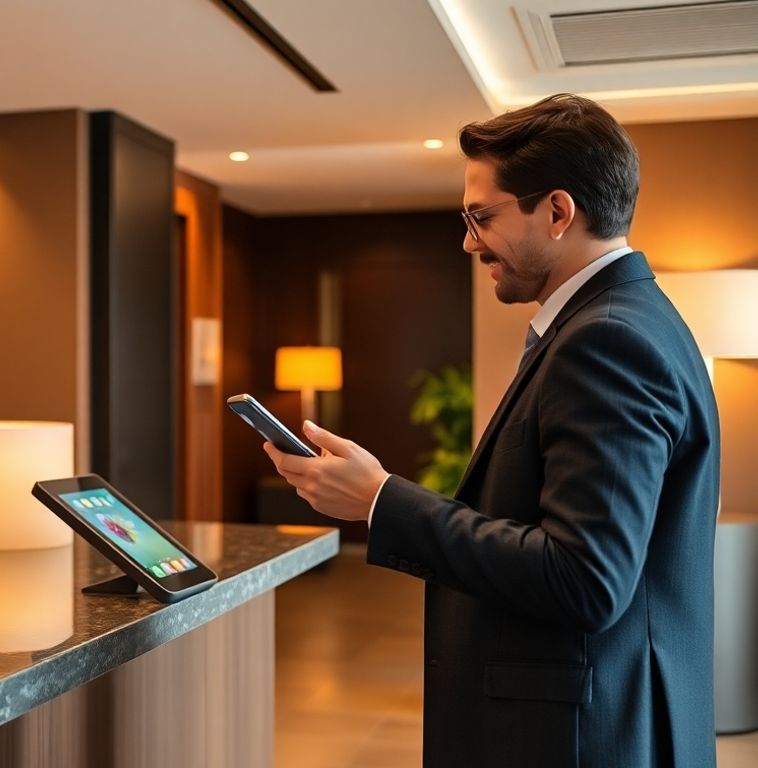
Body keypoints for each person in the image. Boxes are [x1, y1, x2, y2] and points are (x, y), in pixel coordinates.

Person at [265, 94, 719, 767]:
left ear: (558, 212)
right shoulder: (629, 319)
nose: (469, 240)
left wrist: (380, 499)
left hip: (580, 738)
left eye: (483, 217)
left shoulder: (608, 341)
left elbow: (584, 578)